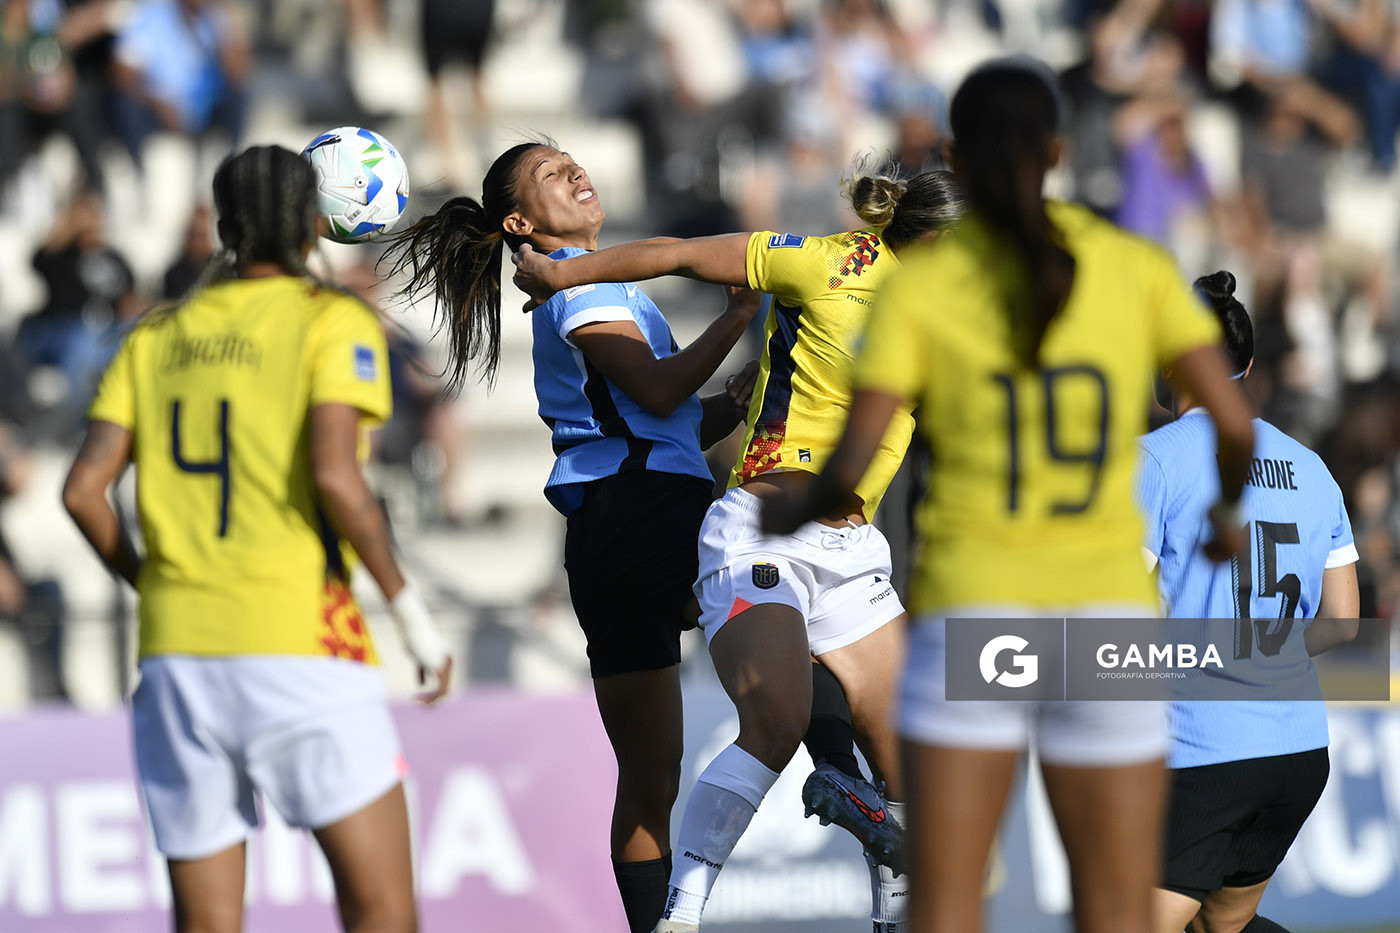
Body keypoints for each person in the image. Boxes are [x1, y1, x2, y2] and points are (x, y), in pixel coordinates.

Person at [760, 57, 1257, 933]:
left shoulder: (924, 285)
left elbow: (853, 457)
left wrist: (788, 510)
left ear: (955, 152)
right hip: (1104, 619)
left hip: (976, 615)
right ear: (1059, 151)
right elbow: (1230, 421)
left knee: (949, 902)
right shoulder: (1133, 266)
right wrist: (1219, 518)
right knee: (1114, 905)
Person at [512, 164, 968, 933]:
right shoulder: (827, 260)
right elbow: (678, 255)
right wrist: (565, 272)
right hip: (741, 523)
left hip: (851, 547)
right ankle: (683, 916)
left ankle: (887, 903)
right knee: (757, 724)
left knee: (902, 755)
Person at [62, 145, 454, 933]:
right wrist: (412, 615)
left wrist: (154, 584)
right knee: (381, 911)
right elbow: (339, 480)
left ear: (222, 224)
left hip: (177, 657)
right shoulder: (331, 319)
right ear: (315, 224)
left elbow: (82, 492)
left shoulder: (154, 335)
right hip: (298, 641)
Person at [382, 139, 760, 933]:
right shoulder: (582, 292)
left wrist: (739, 399)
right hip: (643, 515)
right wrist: (735, 317)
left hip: (624, 523)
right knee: (792, 614)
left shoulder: (598, 289)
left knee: (652, 775)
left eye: (574, 163)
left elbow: (667, 416)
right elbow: (658, 391)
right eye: (553, 174)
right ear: (522, 220)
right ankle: (848, 771)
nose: (578, 173)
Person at [1140, 271, 1360, 933]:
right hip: (1297, 750)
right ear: (1248, 364)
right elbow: (1343, 622)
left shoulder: (1155, 460)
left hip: (1207, 749)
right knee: (1217, 926)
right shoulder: (1312, 467)